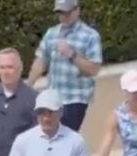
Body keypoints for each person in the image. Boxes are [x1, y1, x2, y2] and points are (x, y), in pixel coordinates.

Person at [27, 0, 103, 132]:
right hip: (52, 96)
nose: (63, 16)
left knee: (64, 136)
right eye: (60, 13)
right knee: (46, 135)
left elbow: (94, 69)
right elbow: (41, 61)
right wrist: (27, 86)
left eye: (67, 12)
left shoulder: (90, 36)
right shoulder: (51, 34)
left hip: (75, 97)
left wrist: (72, 54)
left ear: (77, 10)